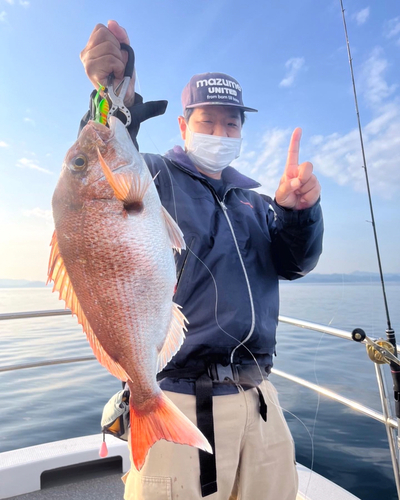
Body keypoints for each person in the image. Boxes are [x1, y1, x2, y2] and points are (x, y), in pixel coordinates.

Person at [80, 20, 323, 500]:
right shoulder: (152, 177)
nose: (220, 131)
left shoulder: (254, 201)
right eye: (206, 121)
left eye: (231, 123)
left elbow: (295, 263)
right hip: (175, 397)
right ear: (182, 125)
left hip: (259, 403)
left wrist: (299, 215)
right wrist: (110, 95)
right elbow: (100, 168)